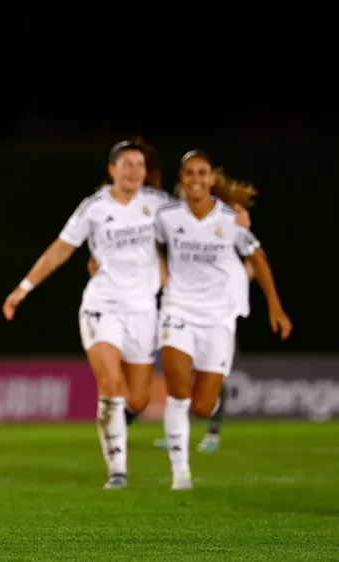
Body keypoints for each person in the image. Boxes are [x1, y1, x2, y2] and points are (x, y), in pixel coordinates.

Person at [3, 140, 171, 490]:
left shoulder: (157, 204)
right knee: (110, 385)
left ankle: (114, 424)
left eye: (139, 164)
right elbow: (61, 248)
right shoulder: (94, 208)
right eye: (126, 163)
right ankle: (117, 470)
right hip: (102, 306)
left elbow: (191, 226)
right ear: (112, 169)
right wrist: (24, 288)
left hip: (144, 311)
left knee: (138, 399)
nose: (134, 170)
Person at [154, 150, 291, 490]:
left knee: (202, 406)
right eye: (189, 173)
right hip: (177, 309)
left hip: (218, 318)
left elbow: (258, 258)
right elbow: (146, 244)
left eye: (202, 173)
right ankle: (180, 471)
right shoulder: (167, 216)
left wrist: (275, 306)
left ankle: (206, 421)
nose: (196, 179)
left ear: (211, 178)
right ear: (182, 180)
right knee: (177, 391)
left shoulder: (231, 220)